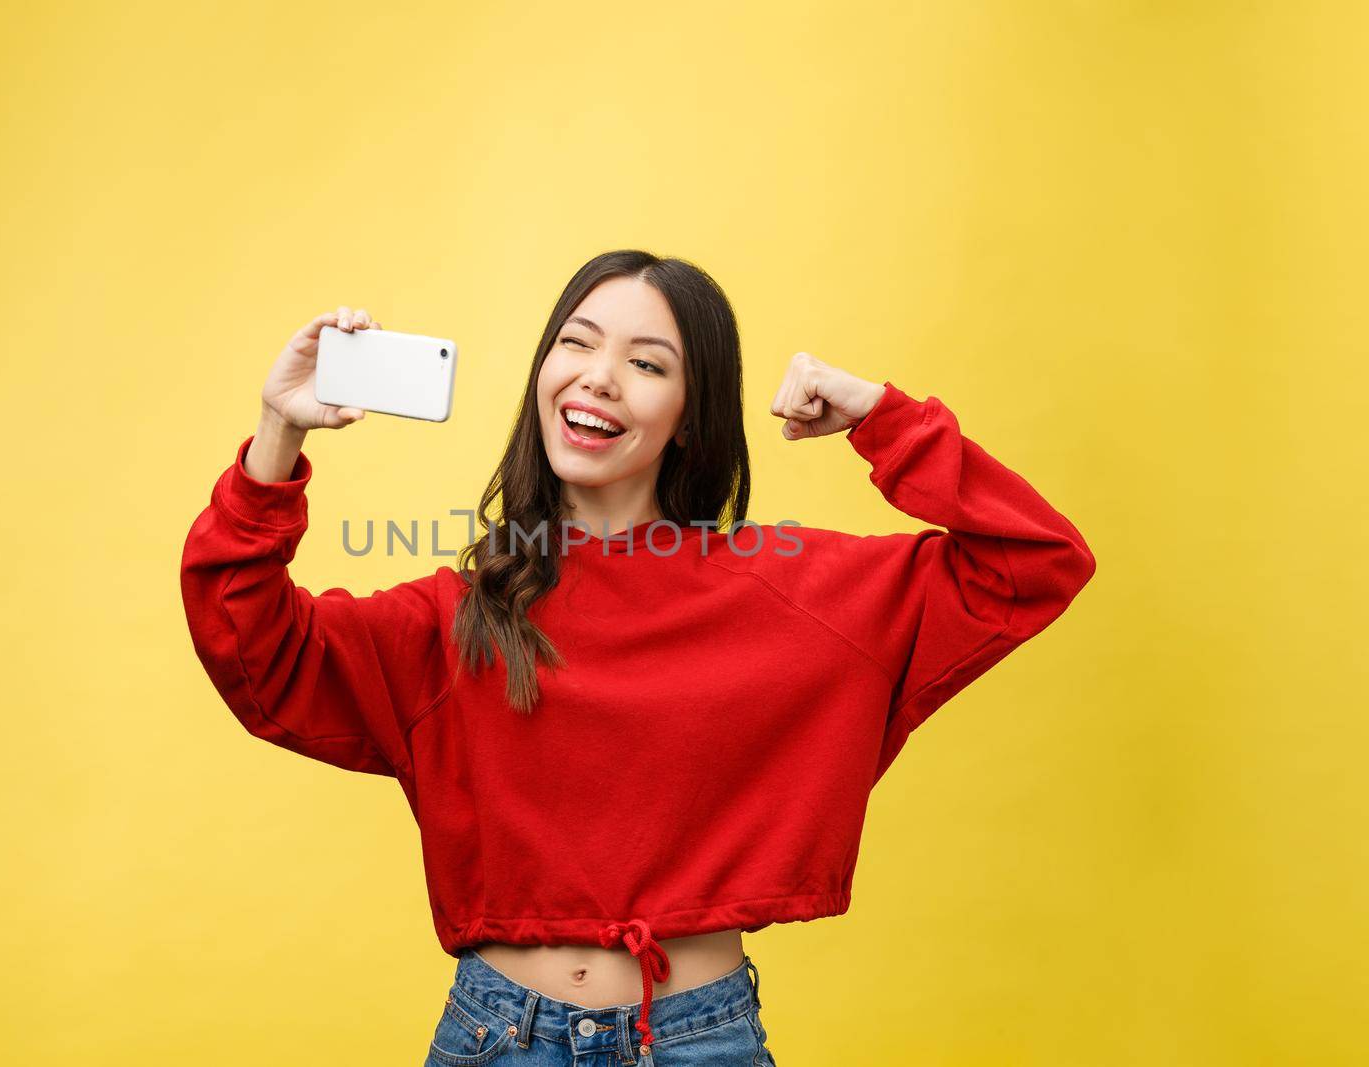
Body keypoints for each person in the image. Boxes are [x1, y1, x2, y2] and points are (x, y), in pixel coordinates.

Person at [180, 250, 1097, 1065]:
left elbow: (1033, 562)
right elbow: (256, 652)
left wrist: (882, 419)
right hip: (500, 1037)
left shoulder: (792, 593)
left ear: (691, 420)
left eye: (647, 363)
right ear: (543, 373)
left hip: (700, 1037)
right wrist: (277, 433)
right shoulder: (455, 622)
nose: (600, 377)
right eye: (576, 344)